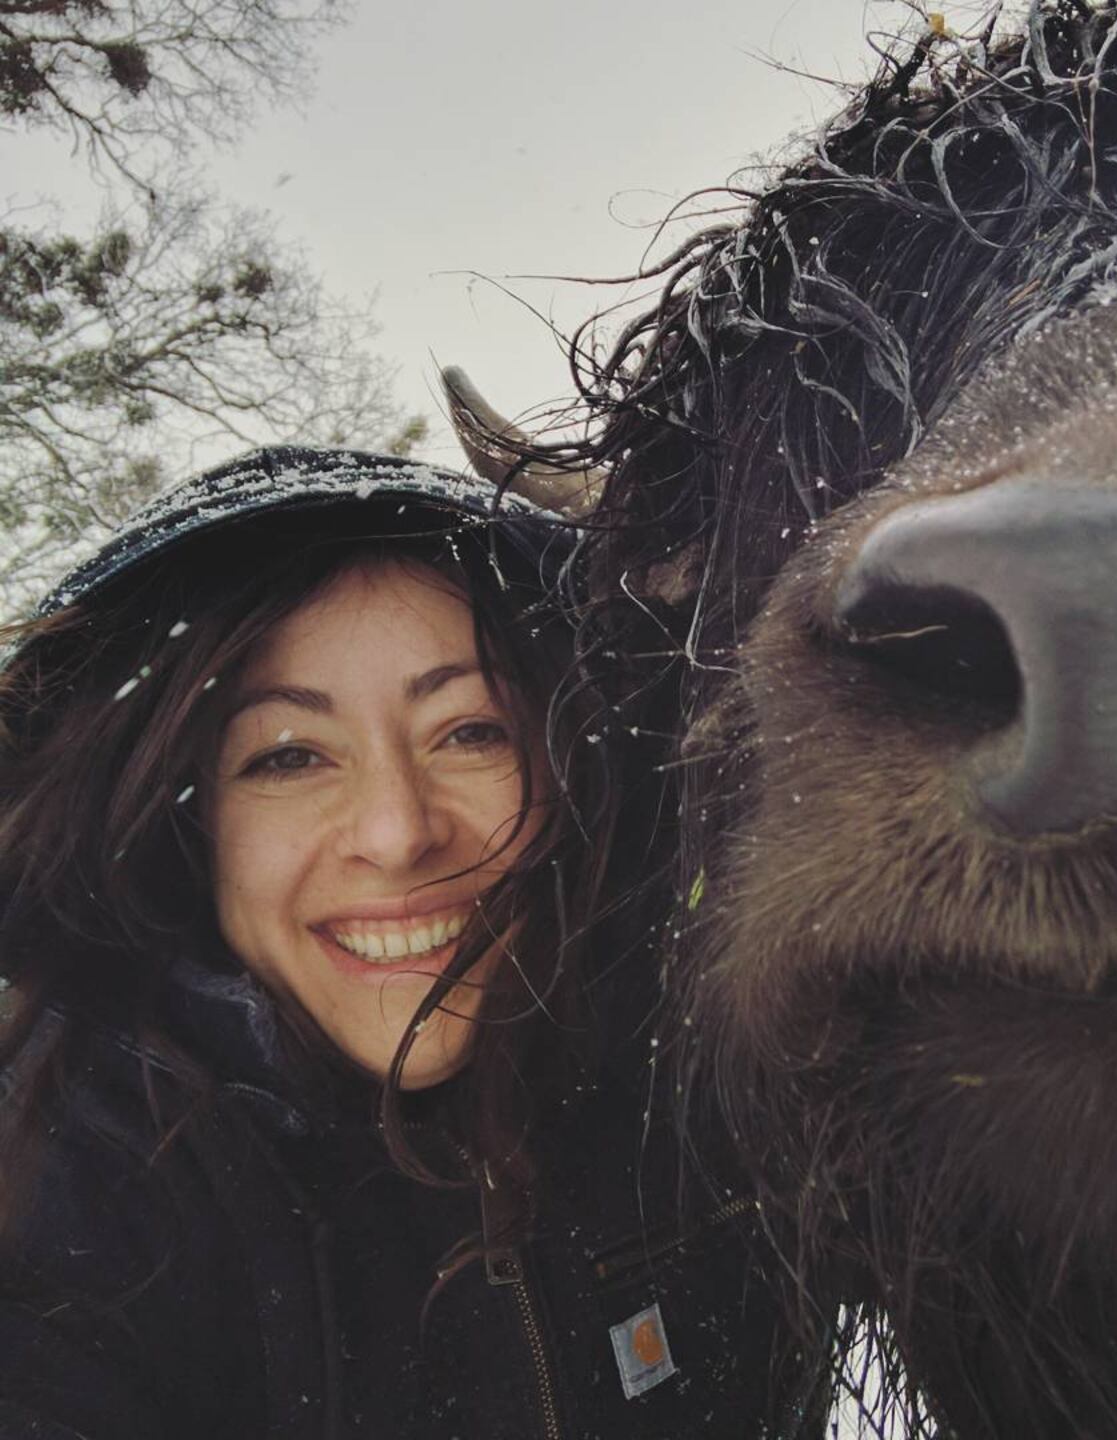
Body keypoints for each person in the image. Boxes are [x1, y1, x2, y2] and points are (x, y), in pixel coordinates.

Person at [0, 447, 817, 1439]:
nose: (397, 834)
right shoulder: (67, 1196)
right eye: (288, 756)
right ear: (184, 823)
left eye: (471, 732)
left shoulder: (708, 1091)